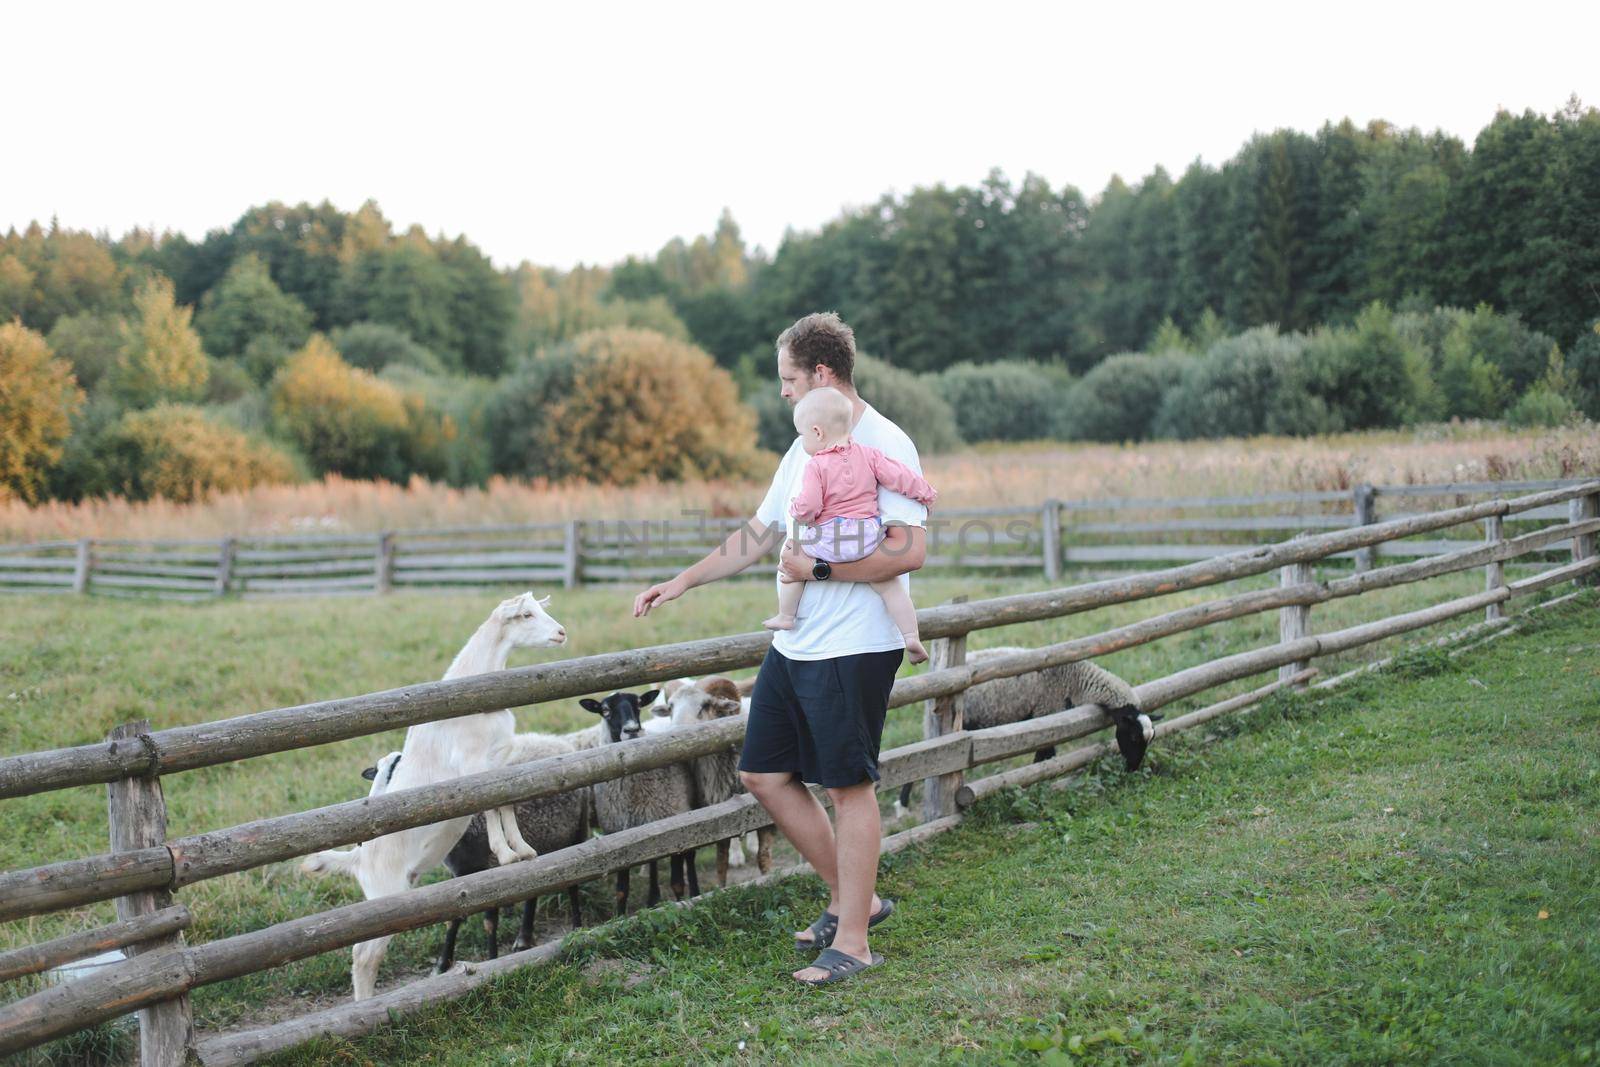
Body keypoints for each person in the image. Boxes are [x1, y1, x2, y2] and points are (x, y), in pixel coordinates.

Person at [633, 311, 928, 985]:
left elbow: (909, 548)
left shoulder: (886, 441)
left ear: (821, 373)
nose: (784, 392)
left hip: (854, 645)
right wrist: (681, 581)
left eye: (789, 378)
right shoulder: (806, 442)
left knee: (849, 786)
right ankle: (859, 898)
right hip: (797, 646)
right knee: (763, 772)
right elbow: (762, 533)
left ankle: (852, 940)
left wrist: (819, 572)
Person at [763, 385, 937, 666]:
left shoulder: (816, 465)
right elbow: (900, 477)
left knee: (792, 555)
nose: (802, 441)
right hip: (866, 538)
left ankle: (786, 615)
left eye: (802, 435)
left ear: (817, 433)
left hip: (830, 540)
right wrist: (926, 493)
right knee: (890, 587)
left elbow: (809, 506)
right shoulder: (869, 455)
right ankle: (911, 636)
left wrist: (798, 511)